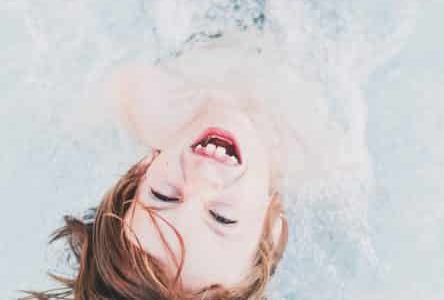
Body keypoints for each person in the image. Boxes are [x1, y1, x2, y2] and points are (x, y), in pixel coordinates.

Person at [21, 53, 290, 300]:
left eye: (164, 195)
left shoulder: (155, 104)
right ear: (271, 228)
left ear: (143, 169)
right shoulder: (317, 156)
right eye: (222, 217)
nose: (202, 175)